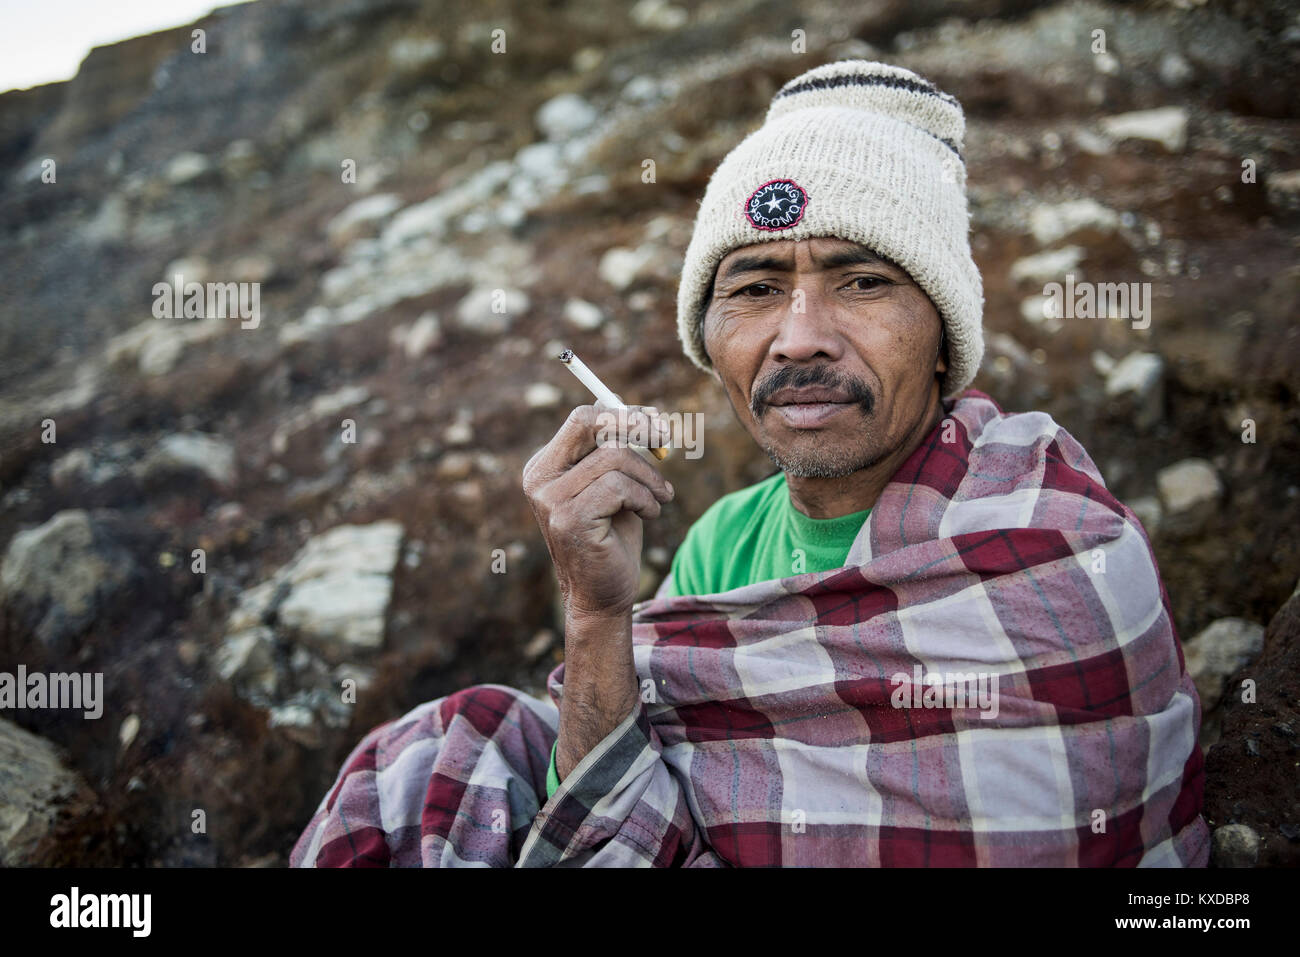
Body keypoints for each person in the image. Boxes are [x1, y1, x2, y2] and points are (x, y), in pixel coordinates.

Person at [290, 59, 1208, 867]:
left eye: (863, 281)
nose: (798, 339)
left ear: (942, 334)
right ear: (709, 337)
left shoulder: (1054, 547)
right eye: (757, 289)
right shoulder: (723, 543)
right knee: (431, 757)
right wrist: (599, 614)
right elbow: (615, 814)